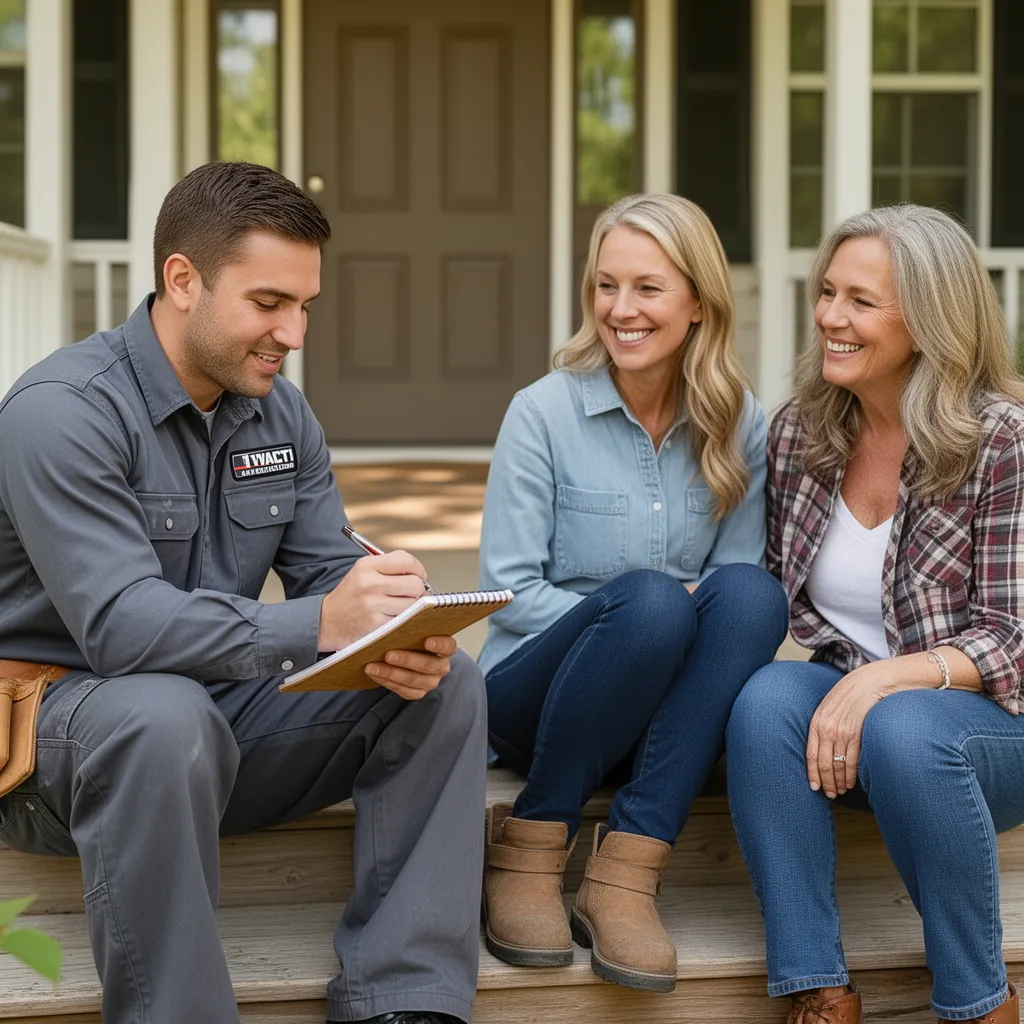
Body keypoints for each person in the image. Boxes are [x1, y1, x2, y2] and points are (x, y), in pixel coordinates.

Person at [0, 161, 487, 1024]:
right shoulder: (62, 411)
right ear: (182, 280)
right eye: (269, 303)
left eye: (305, 306)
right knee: (160, 715)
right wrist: (318, 621)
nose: (293, 332)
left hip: (213, 732)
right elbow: (117, 627)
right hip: (53, 747)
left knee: (443, 684)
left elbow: (322, 581)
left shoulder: (281, 415)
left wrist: (389, 615)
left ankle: (405, 999)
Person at [477, 193, 789, 992]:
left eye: (647, 288)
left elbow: (732, 599)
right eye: (605, 285)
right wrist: (625, 616)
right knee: (653, 601)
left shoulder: (738, 423)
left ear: (696, 303)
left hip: (658, 715)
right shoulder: (542, 413)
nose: (621, 309)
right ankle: (532, 845)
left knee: (754, 595)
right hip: (532, 697)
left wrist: (676, 613)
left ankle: (625, 872)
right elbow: (506, 593)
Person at [726, 204, 1024, 1024]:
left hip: (991, 734)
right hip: (860, 729)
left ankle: (980, 1003)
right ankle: (818, 989)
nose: (830, 317)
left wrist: (889, 681)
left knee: (903, 729)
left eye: (860, 301)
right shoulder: (800, 433)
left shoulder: (1001, 442)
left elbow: (1013, 637)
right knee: (763, 704)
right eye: (827, 293)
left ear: (929, 320)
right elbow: (765, 584)